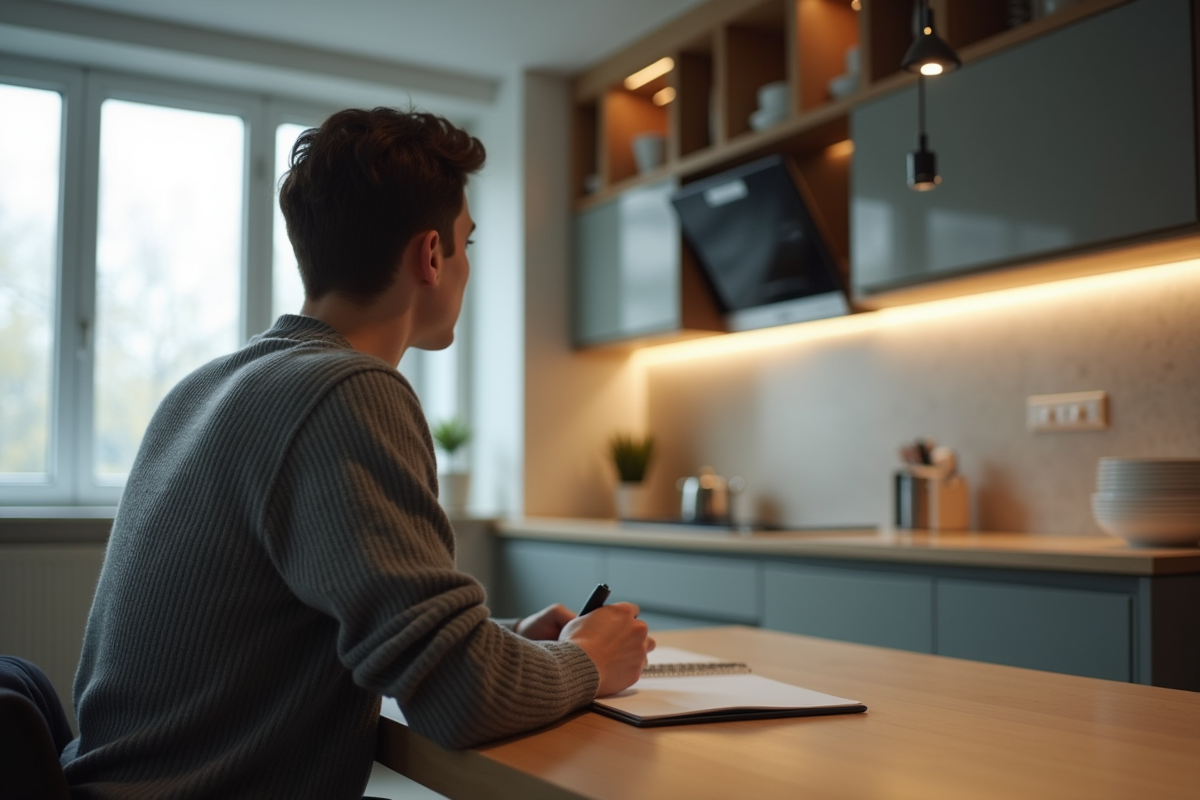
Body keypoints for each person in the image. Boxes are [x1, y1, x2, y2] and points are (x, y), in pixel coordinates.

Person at [62, 107, 654, 800]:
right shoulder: (348, 390)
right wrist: (588, 663)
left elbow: (315, 627)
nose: (467, 266)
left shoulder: (205, 388)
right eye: (468, 244)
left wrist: (500, 640)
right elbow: (461, 701)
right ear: (431, 256)